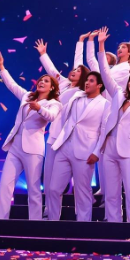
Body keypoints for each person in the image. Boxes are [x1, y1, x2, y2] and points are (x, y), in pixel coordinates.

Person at [94, 31, 130, 223]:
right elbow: (105, 74)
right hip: (110, 148)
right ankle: (114, 225)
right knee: (111, 193)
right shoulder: (118, 95)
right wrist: (101, 46)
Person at [0, 52, 61, 220]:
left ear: (52, 87)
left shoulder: (54, 103)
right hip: (15, 146)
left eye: (46, 81)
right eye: (40, 80)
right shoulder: (27, 96)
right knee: (5, 185)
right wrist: (2, 67)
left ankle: (35, 222)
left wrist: (39, 108)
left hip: (33, 149)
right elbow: (12, 85)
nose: (41, 82)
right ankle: (0, 221)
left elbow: (51, 117)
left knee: (33, 188)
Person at [47, 65, 111, 222]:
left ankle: (83, 225)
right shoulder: (77, 96)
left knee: (82, 192)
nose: (87, 83)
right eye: (87, 80)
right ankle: (52, 222)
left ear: (99, 85)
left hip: (86, 151)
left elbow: (104, 131)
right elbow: (65, 117)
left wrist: (96, 152)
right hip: (65, 147)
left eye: (91, 81)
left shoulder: (105, 104)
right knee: (53, 189)